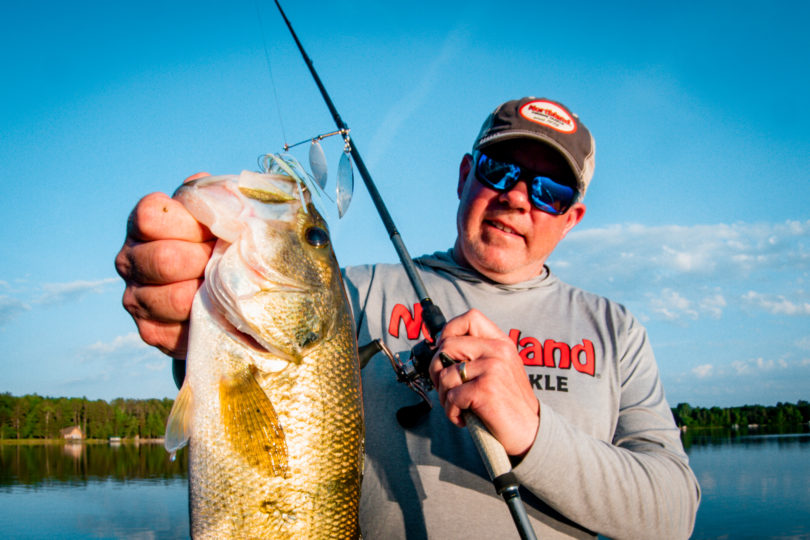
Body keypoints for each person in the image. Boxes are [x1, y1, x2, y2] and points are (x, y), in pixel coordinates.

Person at [116, 97, 700, 539]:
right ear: (464, 175)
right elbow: (240, 362)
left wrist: (531, 430)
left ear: (572, 217)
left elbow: (674, 508)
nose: (518, 197)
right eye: (499, 169)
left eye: (548, 189)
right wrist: (185, 288)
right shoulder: (353, 293)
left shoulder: (614, 329)